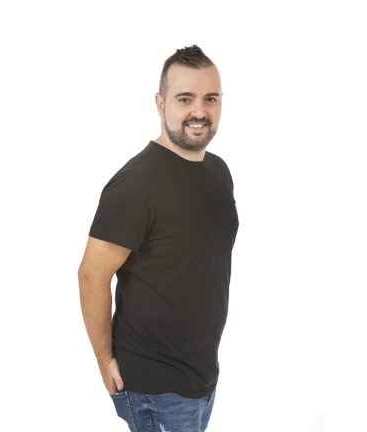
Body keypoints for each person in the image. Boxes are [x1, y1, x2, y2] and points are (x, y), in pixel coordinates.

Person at [77, 45, 239, 432]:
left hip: (203, 378)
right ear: (160, 103)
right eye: (185, 99)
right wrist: (104, 360)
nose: (199, 111)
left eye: (210, 98)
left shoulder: (218, 171)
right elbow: (91, 275)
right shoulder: (135, 186)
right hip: (155, 389)